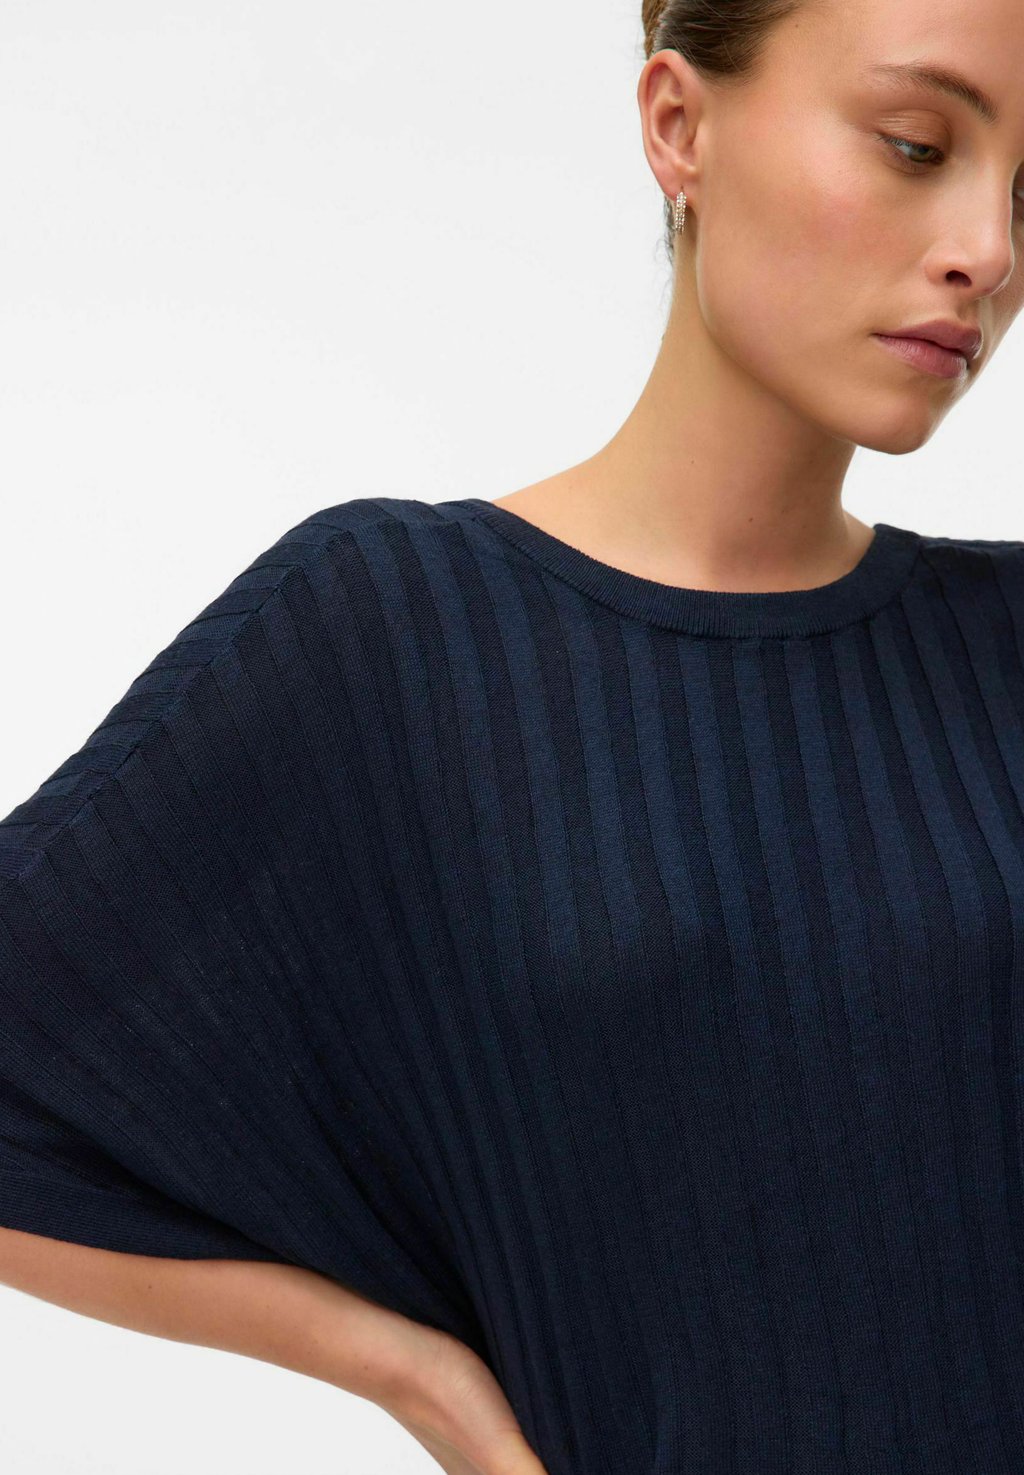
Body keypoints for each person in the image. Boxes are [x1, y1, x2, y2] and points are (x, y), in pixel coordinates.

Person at [2, 0, 1024, 1471]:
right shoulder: (394, 628)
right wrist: (416, 1376)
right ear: (679, 123)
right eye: (918, 145)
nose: (987, 249)